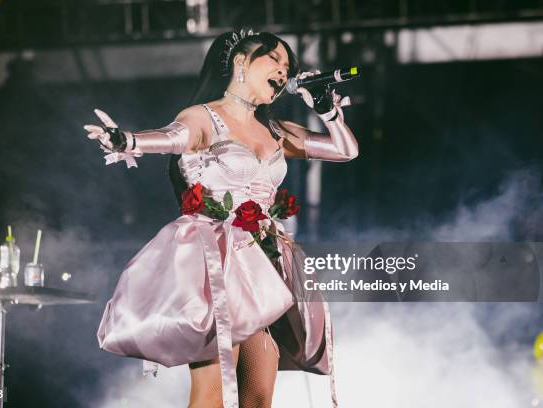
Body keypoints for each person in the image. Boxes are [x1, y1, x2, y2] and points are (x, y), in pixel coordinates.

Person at [85, 29, 358, 408]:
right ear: (241, 63)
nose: (284, 71)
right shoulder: (204, 117)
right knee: (213, 393)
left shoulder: (276, 130)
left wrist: (328, 111)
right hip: (218, 263)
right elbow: (172, 137)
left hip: (263, 263)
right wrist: (127, 141)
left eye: (288, 66)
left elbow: (345, 151)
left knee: (258, 397)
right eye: (275, 60)